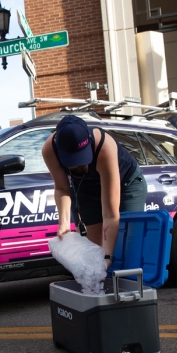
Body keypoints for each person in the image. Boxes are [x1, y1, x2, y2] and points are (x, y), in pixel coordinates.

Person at [42, 115, 147, 271]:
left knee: (125, 245)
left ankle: (128, 288)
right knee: (93, 252)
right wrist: (63, 223)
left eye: (81, 158)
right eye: (72, 160)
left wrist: (108, 258)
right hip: (85, 188)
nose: (78, 164)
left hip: (126, 184)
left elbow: (110, 215)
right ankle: (102, 290)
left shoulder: (103, 146)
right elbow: (62, 188)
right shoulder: (49, 149)